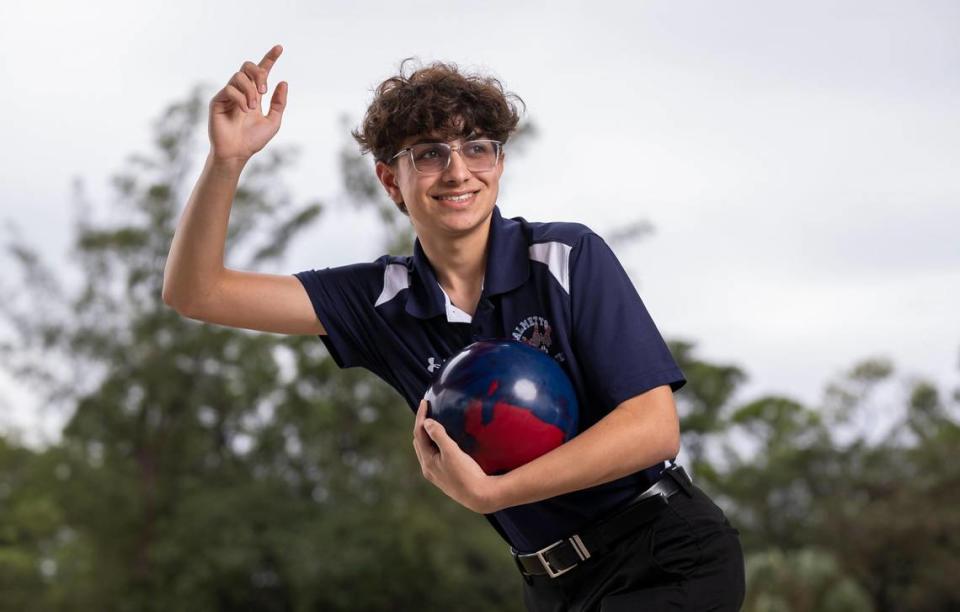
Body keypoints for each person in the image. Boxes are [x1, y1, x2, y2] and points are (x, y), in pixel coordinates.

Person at [163, 44, 746, 611]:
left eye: (478, 148)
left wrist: (492, 493)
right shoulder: (377, 301)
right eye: (430, 153)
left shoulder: (569, 256)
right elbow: (196, 292)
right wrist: (227, 162)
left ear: (499, 164)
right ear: (391, 180)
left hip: (665, 553)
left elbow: (652, 428)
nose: (458, 171)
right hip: (551, 584)